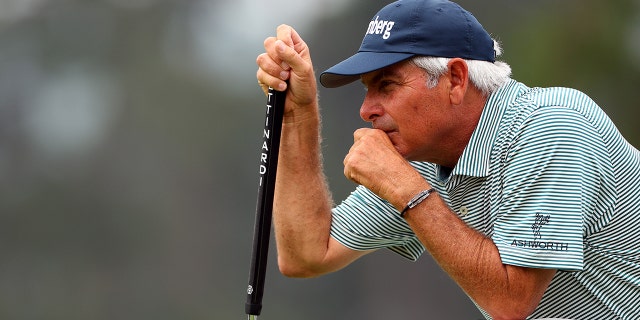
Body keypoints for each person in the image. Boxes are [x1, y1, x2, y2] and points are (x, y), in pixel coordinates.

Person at [255, 0, 640, 319]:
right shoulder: (422, 156)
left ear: (455, 79)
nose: (367, 109)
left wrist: (405, 189)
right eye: (368, 89)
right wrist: (298, 115)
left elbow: (510, 304)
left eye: (387, 84)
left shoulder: (549, 124)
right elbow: (306, 254)